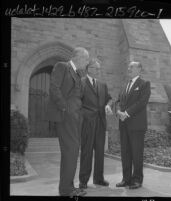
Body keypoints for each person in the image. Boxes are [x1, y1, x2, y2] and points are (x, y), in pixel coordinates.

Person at [46, 47, 89, 196]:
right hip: (66, 116)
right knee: (71, 151)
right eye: (86, 58)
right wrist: (64, 108)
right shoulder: (62, 66)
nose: (87, 62)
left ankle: (68, 187)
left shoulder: (79, 74)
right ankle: (66, 190)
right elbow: (54, 87)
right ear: (78, 57)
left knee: (72, 152)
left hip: (76, 118)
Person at [115, 61, 151, 189]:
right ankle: (126, 179)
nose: (128, 68)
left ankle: (137, 180)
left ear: (139, 69)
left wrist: (126, 113)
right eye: (128, 66)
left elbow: (142, 102)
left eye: (132, 66)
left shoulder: (144, 84)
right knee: (125, 153)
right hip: (123, 124)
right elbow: (119, 100)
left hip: (136, 126)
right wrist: (118, 111)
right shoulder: (125, 84)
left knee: (136, 154)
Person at [79, 59, 113, 189]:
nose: (98, 70)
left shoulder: (102, 84)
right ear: (89, 69)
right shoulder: (81, 82)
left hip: (101, 122)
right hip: (87, 123)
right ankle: (83, 181)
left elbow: (109, 98)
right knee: (86, 152)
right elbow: (77, 102)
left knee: (100, 152)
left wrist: (108, 106)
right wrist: (85, 115)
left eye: (99, 68)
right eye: (96, 68)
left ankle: (98, 179)